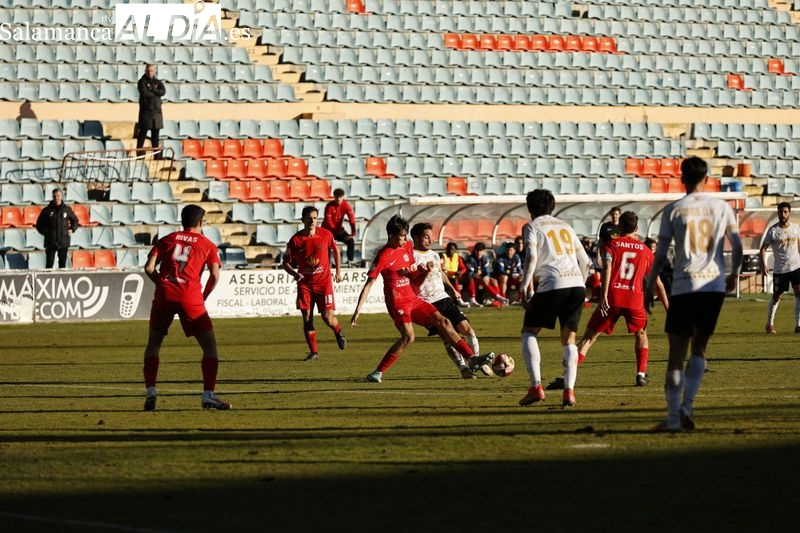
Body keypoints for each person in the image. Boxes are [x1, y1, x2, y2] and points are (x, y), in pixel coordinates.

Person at [645, 156, 742, 432]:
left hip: (684, 285)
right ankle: (687, 406)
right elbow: (736, 246)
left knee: (676, 353)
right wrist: (734, 274)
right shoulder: (722, 207)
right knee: (699, 347)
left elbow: (660, 255)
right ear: (707, 178)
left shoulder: (674, 210)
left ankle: (673, 418)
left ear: (682, 178)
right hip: (713, 285)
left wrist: (650, 285)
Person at [350, 215, 493, 383]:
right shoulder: (383, 255)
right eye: (402, 236)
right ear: (391, 235)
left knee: (444, 322)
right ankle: (378, 372)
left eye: (406, 235)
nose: (405, 239)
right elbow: (369, 284)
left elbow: (413, 278)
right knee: (409, 337)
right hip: (397, 302)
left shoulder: (407, 247)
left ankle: (471, 358)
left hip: (413, 299)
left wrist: (420, 271)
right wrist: (357, 310)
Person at [546, 211, 669, 391]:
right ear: (636, 229)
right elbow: (658, 283)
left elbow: (607, 269)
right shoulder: (645, 250)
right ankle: (641, 374)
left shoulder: (611, 245)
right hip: (634, 299)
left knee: (589, 338)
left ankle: (566, 377)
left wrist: (603, 296)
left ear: (619, 227)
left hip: (612, 298)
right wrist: (668, 308)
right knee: (642, 334)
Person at [142, 204, 230, 411]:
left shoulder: (167, 239)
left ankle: (151, 391)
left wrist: (162, 284)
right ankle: (208, 395)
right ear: (200, 222)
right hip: (190, 296)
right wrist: (203, 296)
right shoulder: (208, 245)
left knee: (154, 344)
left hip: (164, 294)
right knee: (209, 348)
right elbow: (215, 275)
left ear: (182, 221)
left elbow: (149, 268)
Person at [518, 189, 591, 408]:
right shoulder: (566, 226)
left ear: (530, 208)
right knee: (569, 340)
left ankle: (536, 387)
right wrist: (580, 284)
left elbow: (532, 257)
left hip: (552, 283)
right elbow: (586, 262)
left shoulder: (532, 226)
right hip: (576, 284)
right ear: (552, 206)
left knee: (529, 332)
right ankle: (569, 391)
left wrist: (524, 286)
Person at [410, 222, 494, 379]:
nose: (430, 240)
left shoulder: (434, 255)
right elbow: (412, 281)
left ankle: (477, 361)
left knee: (467, 329)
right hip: (426, 303)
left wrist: (452, 289)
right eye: (426, 237)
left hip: (443, 298)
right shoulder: (411, 257)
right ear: (416, 238)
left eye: (431, 237)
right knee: (447, 338)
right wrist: (423, 272)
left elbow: (440, 273)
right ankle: (463, 369)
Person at [282, 205, 347, 361]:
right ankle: (314, 352)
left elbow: (336, 250)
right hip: (305, 285)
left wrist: (338, 272)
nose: (312, 221)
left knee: (327, 317)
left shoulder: (325, 234)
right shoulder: (296, 240)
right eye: (309, 218)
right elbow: (285, 263)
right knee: (307, 318)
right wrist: (295, 273)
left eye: (315, 218)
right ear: (302, 220)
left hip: (324, 283)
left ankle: (338, 331)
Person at [759, 202, 800, 334]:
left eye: (785, 212)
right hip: (780, 269)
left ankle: (798, 324)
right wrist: (763, 265)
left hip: (796, 267)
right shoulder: (773, 230)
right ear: (777, 213)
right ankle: (770, 324)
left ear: (789, 213)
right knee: (777, 296)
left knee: (799, 293)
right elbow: (763, 249)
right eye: (780, 212)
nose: (783, 214)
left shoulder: (796, 228)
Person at [35, 187, 79, 269]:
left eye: (58, 196)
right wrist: (46, 233)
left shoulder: (67, 209)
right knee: (49, 266)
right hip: (51, 243)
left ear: (61, 196)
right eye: (55, 196)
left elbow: (75, 221)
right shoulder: (47, 210)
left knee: (62, 266)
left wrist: (72, 229)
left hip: (63, 242)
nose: (56, 198)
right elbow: (39, 224)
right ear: (52, 197)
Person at [463, 242, 508, 307]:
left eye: (481, 251)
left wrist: (486, 276)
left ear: (484, 251)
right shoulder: (471, 259)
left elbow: (486, 271)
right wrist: (482, 277)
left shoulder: (485, 258)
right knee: (484, 280)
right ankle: (498, 297)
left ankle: (497, 300)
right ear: (475, 251)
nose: (479, 253)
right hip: (472, 278)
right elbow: (471, 273)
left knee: (494, 281)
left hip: (482, 277)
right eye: (477, 251)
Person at [322, 188, 357, 265]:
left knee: (350, 240)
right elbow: (328, 222)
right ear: (334, 197)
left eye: (340, 197)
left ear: (343, 197)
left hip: (338, 230)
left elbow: (352, 219)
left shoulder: (345, 205)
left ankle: (350, 261)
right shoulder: (329, 206)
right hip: (328, 230)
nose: (338, 199)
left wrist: (353, 233)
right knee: (327, 243)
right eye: (336, 197)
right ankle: (327, 263)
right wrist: (337, 231)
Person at [136, 63, 165, 152]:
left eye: (151, 71)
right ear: (145, 71)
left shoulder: (158, 82)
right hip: (146, 112)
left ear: (155, 71)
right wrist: (156, 93)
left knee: (155, 135)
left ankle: (156, 155)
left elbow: (163, 91)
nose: (150, 73)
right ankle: (139, 153)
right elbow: (145, 93)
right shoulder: (142, 82)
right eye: (148, 71)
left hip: (156, 113)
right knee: (142, 133)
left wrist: (153, 89)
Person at [441, 242, 468, 306]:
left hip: (455, 276)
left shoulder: (458, 257)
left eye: (452, 249)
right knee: (453, 280)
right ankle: (459, 300)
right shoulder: (443, 257)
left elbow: (463, 268)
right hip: (446, 277)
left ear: (455, 250)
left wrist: (460, 272)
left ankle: (472, 299)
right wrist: (453, 273)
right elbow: (441, 269)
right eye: (449, 249)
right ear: (446, 249)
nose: (451, 251)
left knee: (469, 278)